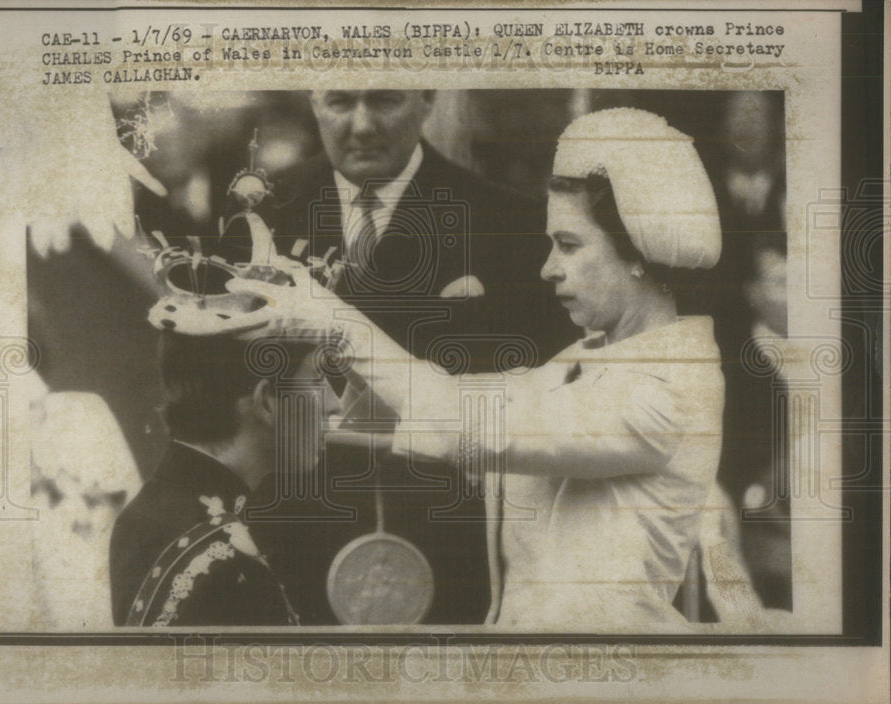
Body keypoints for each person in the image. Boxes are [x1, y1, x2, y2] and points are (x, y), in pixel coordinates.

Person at [266, 107, 728, 631]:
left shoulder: (671, 386)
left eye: (569, 245)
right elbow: (439, 406)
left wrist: (336, 322)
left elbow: (470, 422)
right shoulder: (583, 361)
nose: (547, 268)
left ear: (636, 252)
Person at [262, 89, 578, 625]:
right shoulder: (265, 212)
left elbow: (540, 397)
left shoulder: (507, 223)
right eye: (340, 101)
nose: (362, 125)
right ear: (312, 101)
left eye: (384, 100)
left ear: (427, 98)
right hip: (302, 531)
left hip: (447, 542)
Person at [109, 251, 340, 627]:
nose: (335, 402)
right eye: (317, 381)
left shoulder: (140, 517)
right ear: (266, 402)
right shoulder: (228, 559)